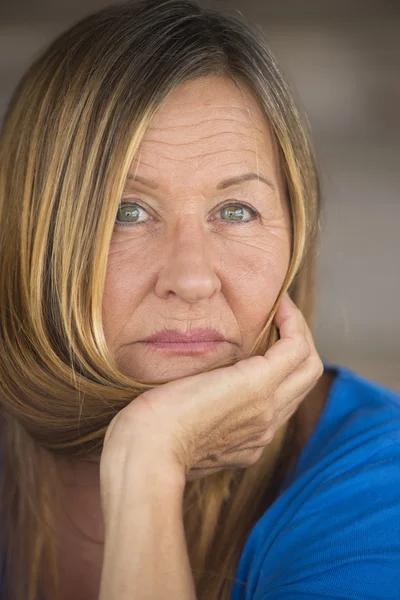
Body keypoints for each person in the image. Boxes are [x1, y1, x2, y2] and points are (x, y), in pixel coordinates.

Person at [0, 0, 399, 599]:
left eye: (236, 211)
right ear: (32, 237)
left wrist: (149, 460)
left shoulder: (379, 481)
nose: (191, 279)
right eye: (125, 213)